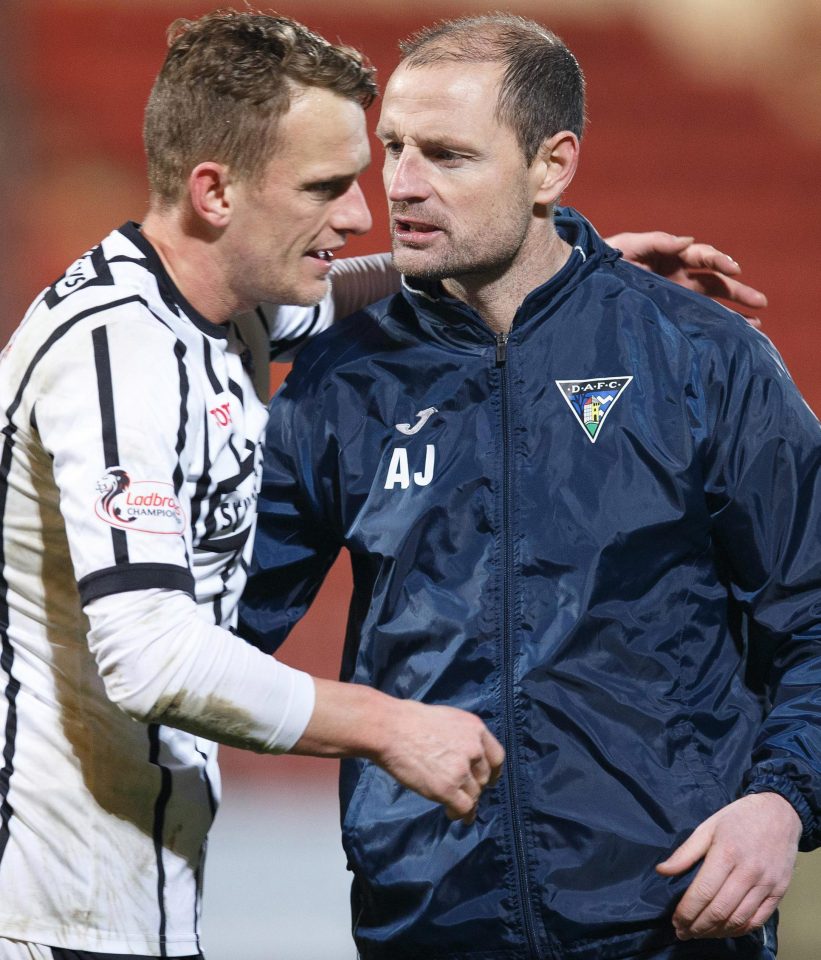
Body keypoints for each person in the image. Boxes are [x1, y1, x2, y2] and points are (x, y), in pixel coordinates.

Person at [242, 13, 820, 960]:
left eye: (447, 154)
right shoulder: (341, 383)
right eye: (393, 147)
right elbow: (213, 635)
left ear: (551, 166)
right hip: (425, 926)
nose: (401, 185)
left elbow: (813, 611)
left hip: (669, 922)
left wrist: (781, 801)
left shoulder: (698, 358)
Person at [0, 12, 514, 960]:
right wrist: (386, 725)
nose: (360, 213)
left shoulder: (215, 308)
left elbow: (353, 293)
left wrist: (540, 271)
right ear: (215, 191)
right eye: (324, 186)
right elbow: (150, 655)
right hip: (48, 916)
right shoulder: (116, 356)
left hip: (129, 898)